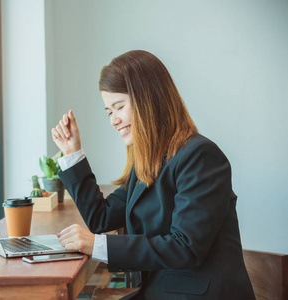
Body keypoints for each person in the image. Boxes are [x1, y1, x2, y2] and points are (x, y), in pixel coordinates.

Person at [51, 50, 255, 299]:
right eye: (108, 112)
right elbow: (101, 218)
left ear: (148, 100)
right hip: (161, 290)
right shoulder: (148, 163)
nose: (114, 120)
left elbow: (185, 248)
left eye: (119, 107)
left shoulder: (200, 157)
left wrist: (97, 245)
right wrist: (73, 154)